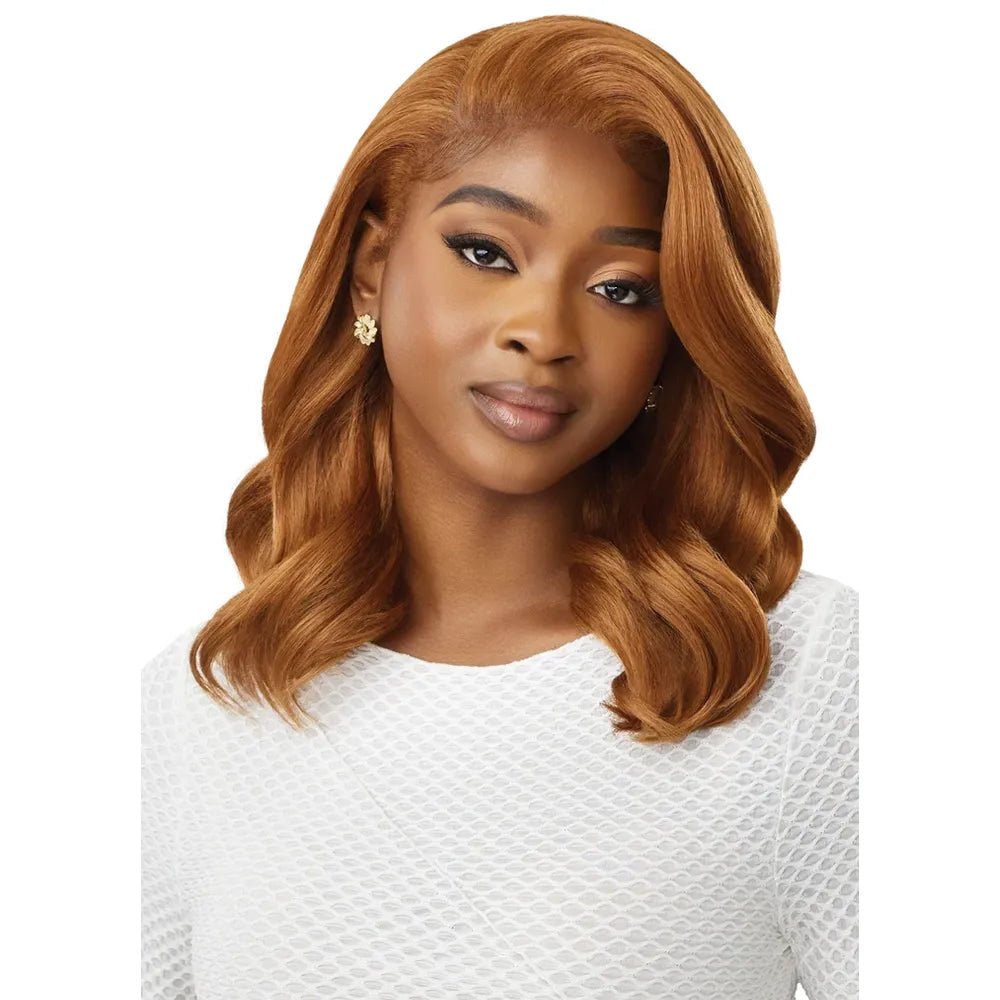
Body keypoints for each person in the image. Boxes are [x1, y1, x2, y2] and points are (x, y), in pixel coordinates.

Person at [141, 14, 859, 1000]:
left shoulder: (809, 677)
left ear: (676, 338)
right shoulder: (198, 707)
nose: (543, 330)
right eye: (486, 252)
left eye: (622, 290)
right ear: (370, 267)